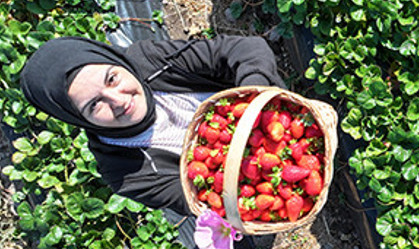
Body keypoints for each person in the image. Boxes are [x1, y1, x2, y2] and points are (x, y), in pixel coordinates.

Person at [20, 35, 286, 214]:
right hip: (253, 182)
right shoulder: (125, 173)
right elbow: (201, 201)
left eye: (111, 78)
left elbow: (247, 48)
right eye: (94, 105)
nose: (117, 100)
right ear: (76, 118)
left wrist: (254, 99)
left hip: (276, 119)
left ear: (116, 62)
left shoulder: (149, 60)